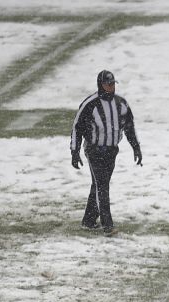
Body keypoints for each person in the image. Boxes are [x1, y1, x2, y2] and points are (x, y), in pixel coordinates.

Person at [70, 69, 142, 237]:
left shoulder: (121, 104)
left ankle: (88, 220)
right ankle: (107, 224)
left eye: (112, 84)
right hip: (94, 150)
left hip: (111, 151)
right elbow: (77, 127)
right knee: (102, 186)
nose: (111, 87)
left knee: (99, 185)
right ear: (101, 85)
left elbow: (129, 127)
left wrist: (136, 147)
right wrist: (75, 151)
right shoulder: (90, 104)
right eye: (108, 84)